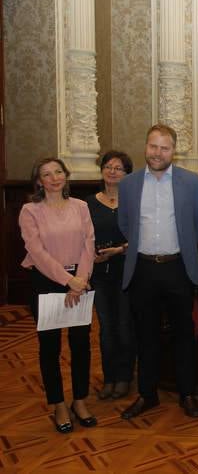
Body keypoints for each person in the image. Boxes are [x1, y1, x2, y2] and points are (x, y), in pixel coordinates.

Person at [118, 124, 198, 419]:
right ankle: (147, 394)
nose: (158, 153)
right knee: (145, 335)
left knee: (184, 333)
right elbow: (125, 223)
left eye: (164, 148)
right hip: (142, 269)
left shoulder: (191, 182)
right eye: (153, 146)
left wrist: (180, 247)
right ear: (146, 147)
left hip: (178, 268)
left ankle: (187, 393)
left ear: (174, 151)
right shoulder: (129, 184)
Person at [20, 158, 96, 433]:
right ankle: (58, 405)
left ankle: (80, 400)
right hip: (46, 281)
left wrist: (81, 280)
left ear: (66, 175)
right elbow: (37, 253)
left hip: (81, 279)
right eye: (46, 174)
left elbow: (89, 244)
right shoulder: (30, 211)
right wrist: (69, 281)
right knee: (50, 348)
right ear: (39, 181)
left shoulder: (81, 207)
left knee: (80, 344)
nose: (54, 177)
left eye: (58, 172)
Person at [87, 151, 135, 401]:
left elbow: (140, 236)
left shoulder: (133, 202)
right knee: (106, 329)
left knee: (125, 326)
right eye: (108, 166)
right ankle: (110, 378)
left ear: (127, 174)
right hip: (100, 274)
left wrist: (120, 250)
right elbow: (82, 238)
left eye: (118, 168)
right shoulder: (89, 204)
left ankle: (125, 377)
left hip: (127, 271)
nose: (112, 171)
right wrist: (91, 256)